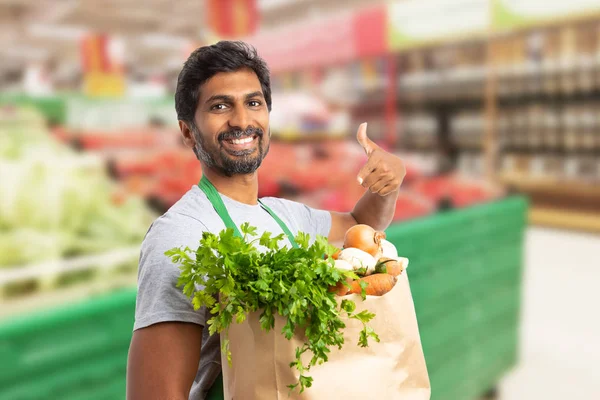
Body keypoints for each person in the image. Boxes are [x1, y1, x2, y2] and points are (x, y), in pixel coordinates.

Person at [126, 41, 406, 400]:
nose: (242, 120)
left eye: (253, 103)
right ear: (187, 132)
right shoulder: (180, 235)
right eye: (220, 106)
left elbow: (361, 225)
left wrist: (388, 182)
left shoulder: (286, 217)